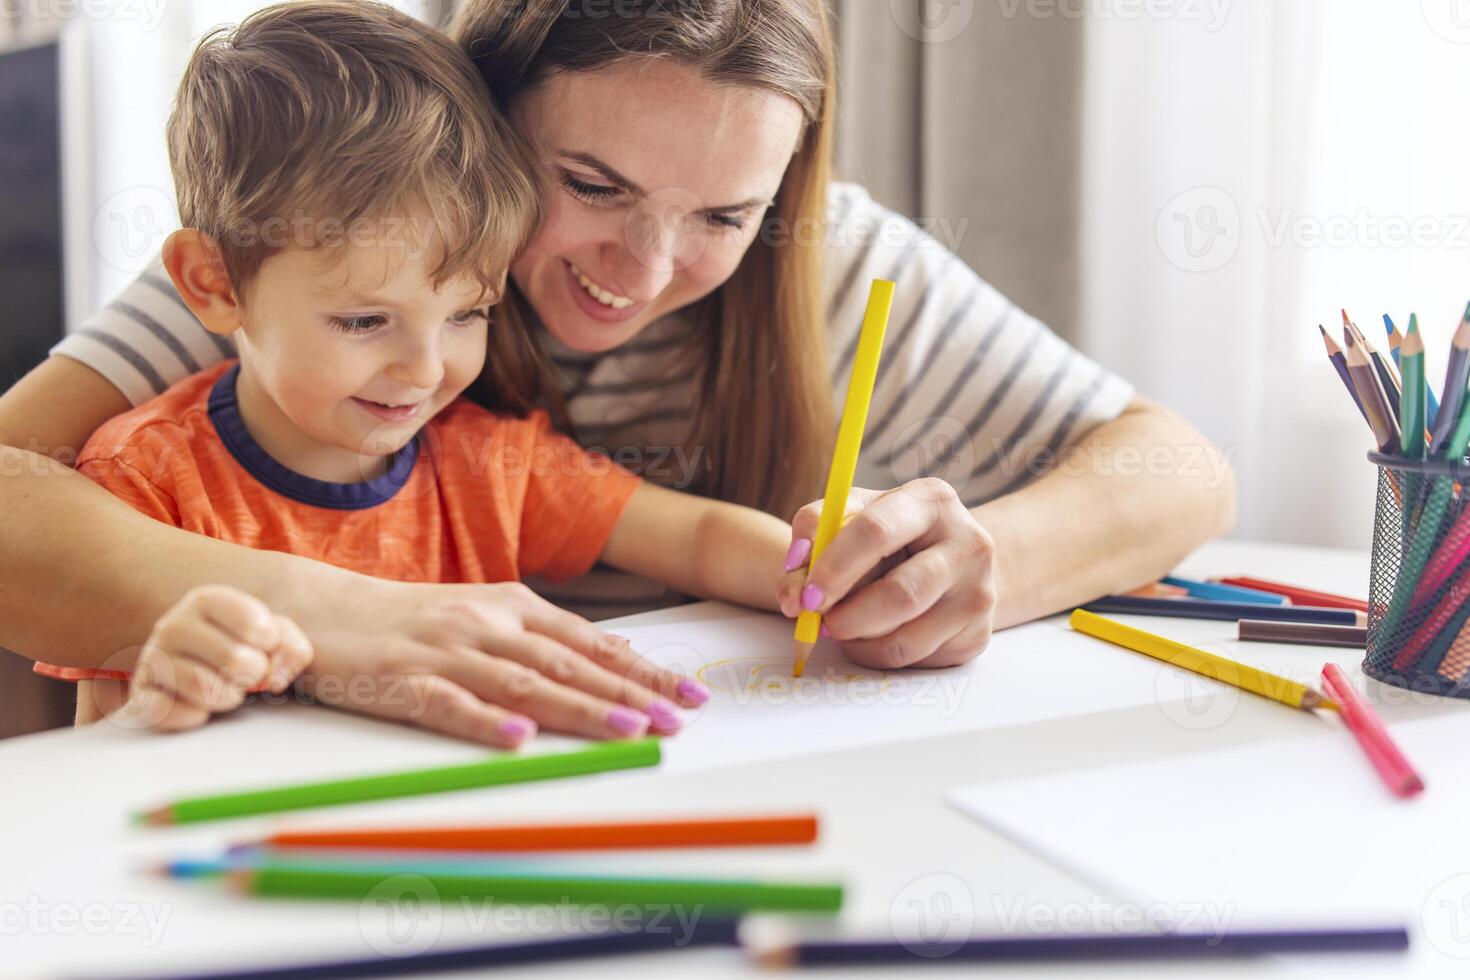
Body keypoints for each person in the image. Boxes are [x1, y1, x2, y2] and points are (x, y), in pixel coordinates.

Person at [0, 0, 1235, 745]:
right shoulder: (346, 230)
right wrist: (356, 617)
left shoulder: (832, 264)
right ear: (489, 121)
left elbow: (1179, 471)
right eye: (592, 187)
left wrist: (976, 566)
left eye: (723, 214)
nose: (641, 269)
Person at [26, 1, 823, 738]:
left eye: (470, 314)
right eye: (366, 321)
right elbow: (101, 741)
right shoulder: (145, 483)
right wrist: (170, 691)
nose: (425, 369)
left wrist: (828, 570)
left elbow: (700, 535)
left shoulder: (488, 459)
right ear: (213, 285)